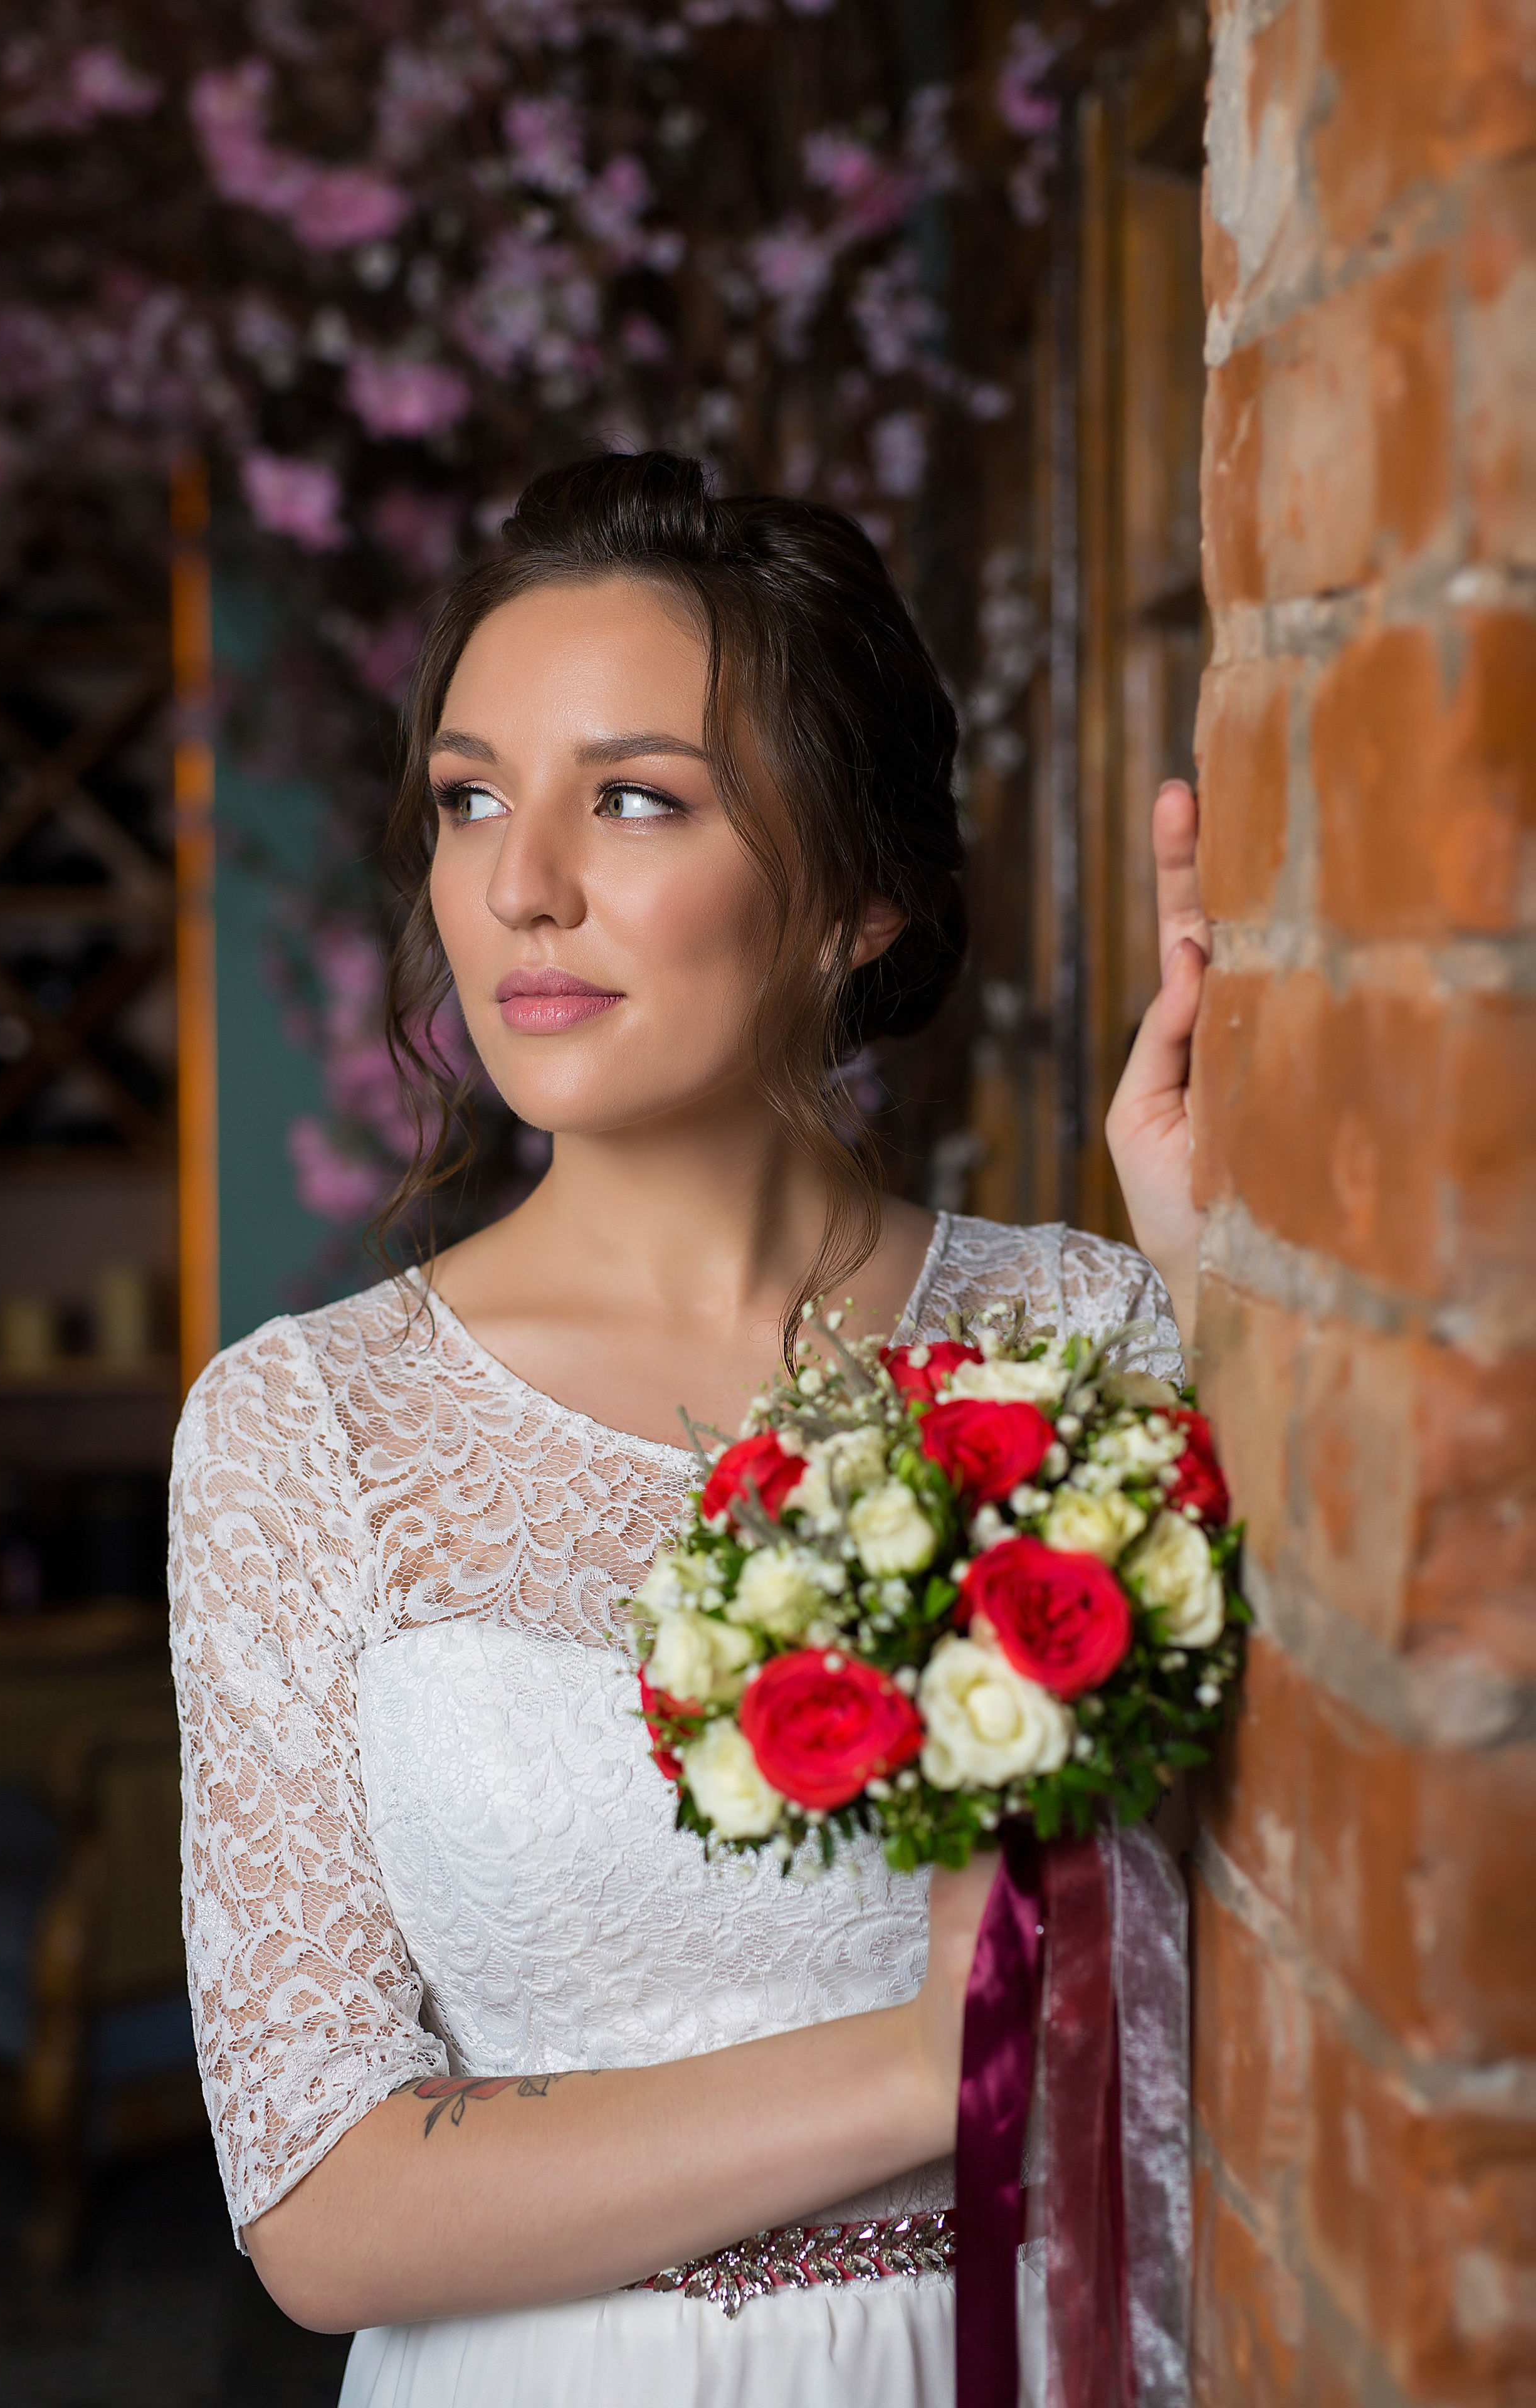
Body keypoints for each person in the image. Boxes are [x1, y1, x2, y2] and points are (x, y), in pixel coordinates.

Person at [169, 450, 1211, 2408]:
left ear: (860, 896)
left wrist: (1234, 1281)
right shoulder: (301, 1432)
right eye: (471, 798)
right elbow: (322, 2208)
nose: (519, 884)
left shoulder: (1092, 1330)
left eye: (632, 798)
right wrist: (926, 2070)